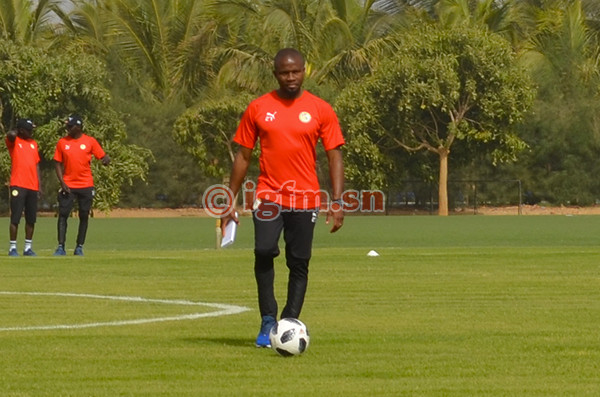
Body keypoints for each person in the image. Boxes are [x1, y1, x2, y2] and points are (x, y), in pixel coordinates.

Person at [220, 48, 345, 347]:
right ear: (275, 74)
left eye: (296, 71)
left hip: (305, 198)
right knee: (264, 250)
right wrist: (230, 199)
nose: (291, 77)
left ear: (305, 71)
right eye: (284, 72)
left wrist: (337, 201)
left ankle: (290, 321)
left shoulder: (320, 109)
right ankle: (267, 319)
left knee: (298, 261)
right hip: (268, 195)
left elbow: (334, 154)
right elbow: (243, 155)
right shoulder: (259, 108)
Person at [53, 114, 110, 256]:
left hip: (86, 184)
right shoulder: (62, 142)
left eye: (70, 126)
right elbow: (57, 164)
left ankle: (79, 246)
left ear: (77, 127)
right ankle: (61, 246)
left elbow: (102, 156)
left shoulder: (90, 141)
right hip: (68, 185)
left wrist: (106, 160)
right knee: (63, 214)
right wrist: (62, 182)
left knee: (84, 215)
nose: (67, 129)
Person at [5, 118, 41, 257]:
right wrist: (16, 130)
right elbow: (10, 135)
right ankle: (13, 247)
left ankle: (28, 248)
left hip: (32, 185)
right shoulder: (14, 143)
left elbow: (37, 164)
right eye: (29, 130)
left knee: (31, 219)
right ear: (21, 130)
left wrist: (39, 185)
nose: (31, 132)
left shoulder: (33, 144)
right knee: (15, 217)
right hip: (18, 184)